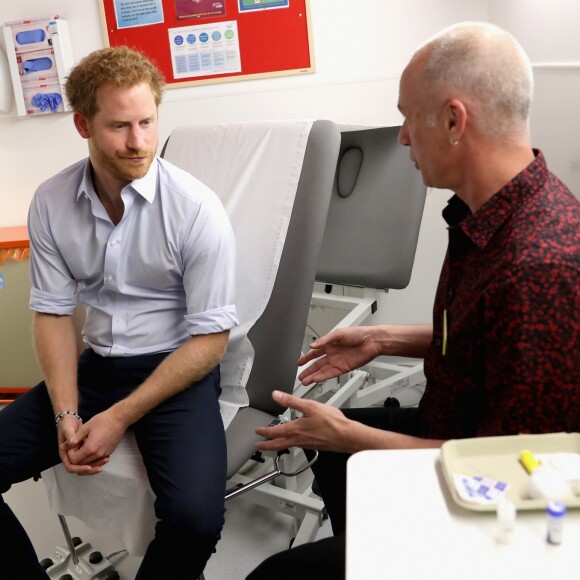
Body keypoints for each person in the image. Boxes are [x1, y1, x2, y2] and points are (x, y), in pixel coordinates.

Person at [246, 21, 579, 579]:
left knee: (274, 575)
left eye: (408, 116)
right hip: (465, 425)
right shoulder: (489, 215)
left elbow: (524, 475)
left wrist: (357, 438)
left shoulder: (539, 264)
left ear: (453, 120)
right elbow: (492, 337)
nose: (402, 137)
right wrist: (384, 337)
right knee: (335, 455)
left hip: (507, 514)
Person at [0, 46, 238, 579]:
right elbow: (53, 314)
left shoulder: (197, 210)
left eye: (148, 122)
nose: (139, 142)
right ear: (83, 124)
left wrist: (119, 417)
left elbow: (211, 339)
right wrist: (67, 412)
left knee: (196, 521)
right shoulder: (52, 201)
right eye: (120, 126)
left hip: (178, 372)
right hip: (97, 369)